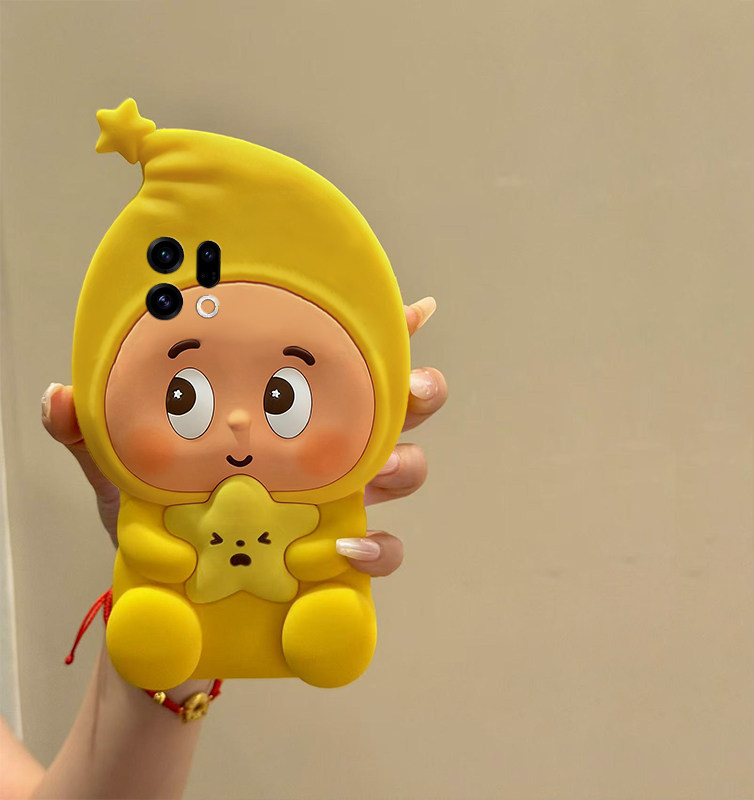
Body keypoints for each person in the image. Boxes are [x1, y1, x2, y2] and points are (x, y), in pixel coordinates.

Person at [0, 299, 447, 800]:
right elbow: (153, 549)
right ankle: (163, 622)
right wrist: (169, 576)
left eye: (281, 396)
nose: (238, 420)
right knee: (158, 619)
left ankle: (320, 617)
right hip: (175, 593)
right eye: (183, 396)